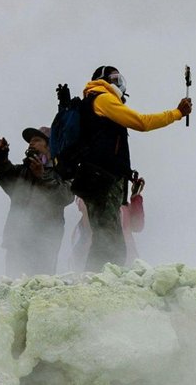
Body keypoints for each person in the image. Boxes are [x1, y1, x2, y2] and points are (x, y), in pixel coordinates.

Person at [73, 66, 188, 270]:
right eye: (114, 79)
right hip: (103, 177)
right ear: (103, 80)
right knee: (109, 237)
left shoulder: (92, 101)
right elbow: (141, 122)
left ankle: (97, 280)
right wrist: (177, 113)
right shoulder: (102, 98)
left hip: (97, 176)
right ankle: (101, 283)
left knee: (106, 234)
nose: (119, 84)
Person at [0, 125, 75, 277]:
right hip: (17, 239)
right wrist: (0, 154)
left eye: (36, 140)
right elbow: (3, 173)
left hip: (45, 242)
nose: (31, 143)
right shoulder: (22, 172)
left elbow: (66, 196)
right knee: (14, 284)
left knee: (40, 285)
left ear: (50, 146)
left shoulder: (62, 172)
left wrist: (42, 177)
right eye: (30, 141)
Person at [72, 172, 146, 266]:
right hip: (98, 258)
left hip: (127, 260)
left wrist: (135, 197)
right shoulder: (90, 201)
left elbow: (137, 226)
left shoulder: (123, 208)